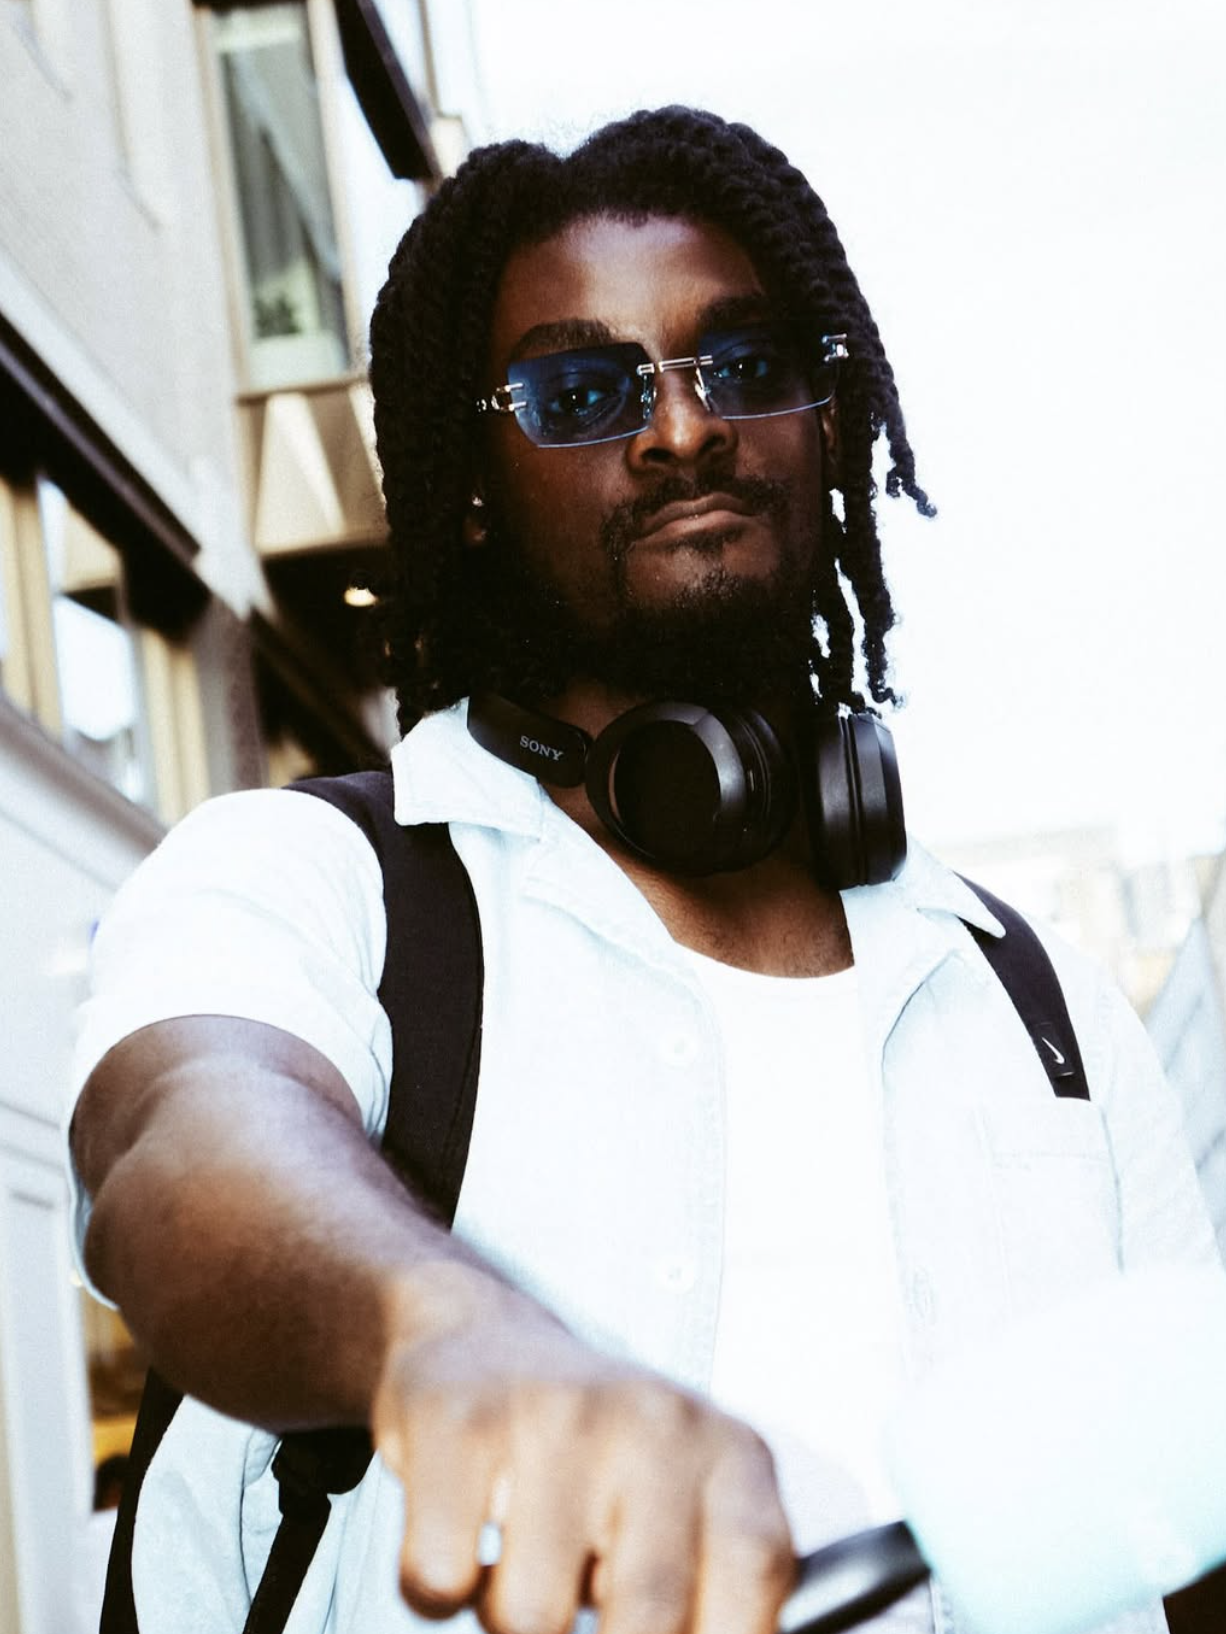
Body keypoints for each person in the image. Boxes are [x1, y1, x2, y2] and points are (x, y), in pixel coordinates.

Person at [68, 107, 1218, 1634]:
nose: (681, 427)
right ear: (470, 485)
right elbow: (179, 1144)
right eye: (580, 391)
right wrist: (446, 1331)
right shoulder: (314, 875)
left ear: (827, 424)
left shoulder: (1038, 998)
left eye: (742, 365)